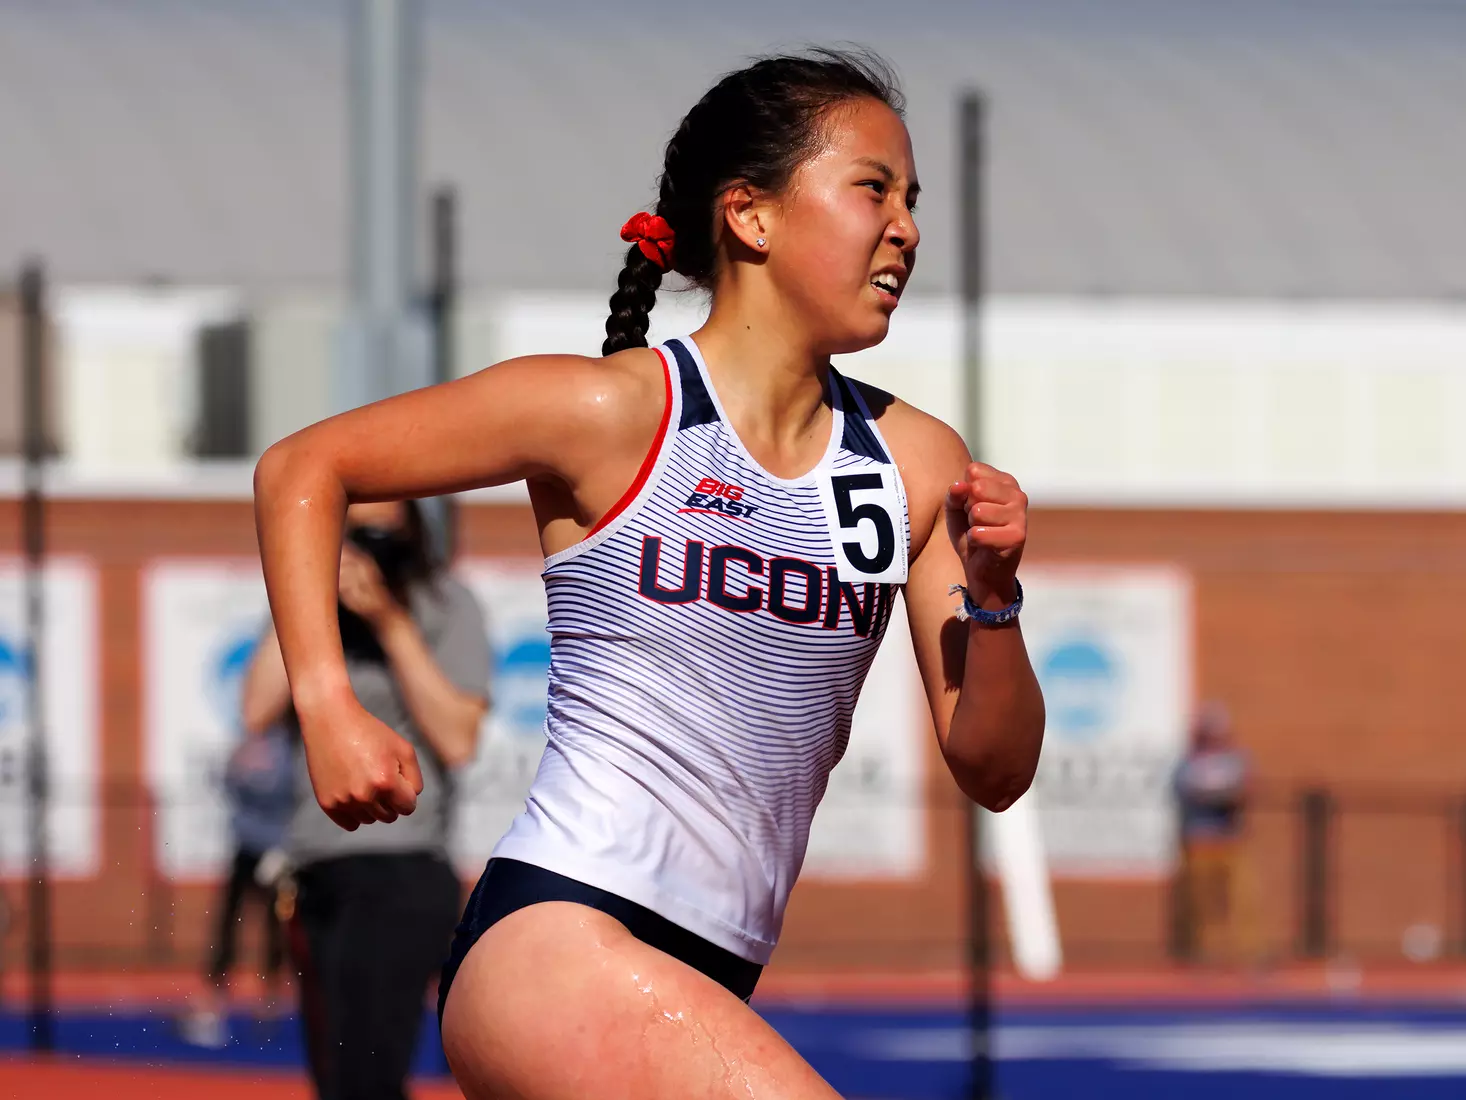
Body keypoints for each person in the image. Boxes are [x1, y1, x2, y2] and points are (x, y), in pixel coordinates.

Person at [253, 47, 1045, 1099]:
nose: (904, 226)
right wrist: (326, 701)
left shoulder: (915, 461)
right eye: (871, 189)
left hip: (712, 971)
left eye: (912, 199)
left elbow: (995, 768)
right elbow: (305, 465)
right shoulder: (618, 410)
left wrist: (995, 600)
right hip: (557, 939)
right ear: (750, 215)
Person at [242, 498, 491, 1100]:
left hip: (400, 867)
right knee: (333, 1081)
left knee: (368, 1081)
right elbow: (256, 709)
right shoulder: (308, 612)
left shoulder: (443, 602)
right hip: (316, 868)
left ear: (413, 530)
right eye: (353, 532)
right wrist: (306, 594)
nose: (368, 546)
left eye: (383, 531)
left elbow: (458, 739)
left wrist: (388, 621)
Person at [179, 722, 296, 1048]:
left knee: (276, 930)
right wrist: (242, 768)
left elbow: (289, 789)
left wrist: (258, 778)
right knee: (228, 924)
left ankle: (269, 1004)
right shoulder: (251, 742)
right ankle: (212, 1001)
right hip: (245, 847)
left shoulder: (293, 745)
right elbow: (228, 780)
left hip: (277, 851)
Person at [1173, 701, 1260, 967]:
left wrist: (1218, 792)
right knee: (1201, 903)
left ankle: (1249, 955)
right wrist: (1219, 792)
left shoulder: (1236, 759)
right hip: (1200, 841)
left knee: (1244, 900)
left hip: (1230, 840)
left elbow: (1244, 789)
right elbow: (1186, 790)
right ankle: (1203, 956)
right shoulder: (1188, 761)